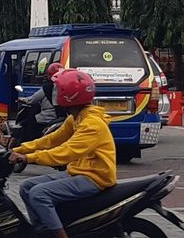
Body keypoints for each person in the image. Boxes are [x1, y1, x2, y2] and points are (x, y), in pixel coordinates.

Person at [10, 69, 116, 238]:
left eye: (58, 89)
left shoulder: (92, 124)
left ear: (69, 95)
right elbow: (51, 140)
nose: (55, 93)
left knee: (39, 194)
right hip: (78, 172)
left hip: (95, 178)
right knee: (26, 187)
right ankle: (42, 230)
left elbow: (65, 152)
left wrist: (28, 158)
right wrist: (18, 149)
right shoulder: (76, 118)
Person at [18, 62, 64, 140]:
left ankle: (28, 144)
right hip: (63, 117)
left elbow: (32, 100)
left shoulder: (47, 87)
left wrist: (23, 100)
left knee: (28, 124)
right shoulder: (65, 86)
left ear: (49, 74)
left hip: (47, 117)